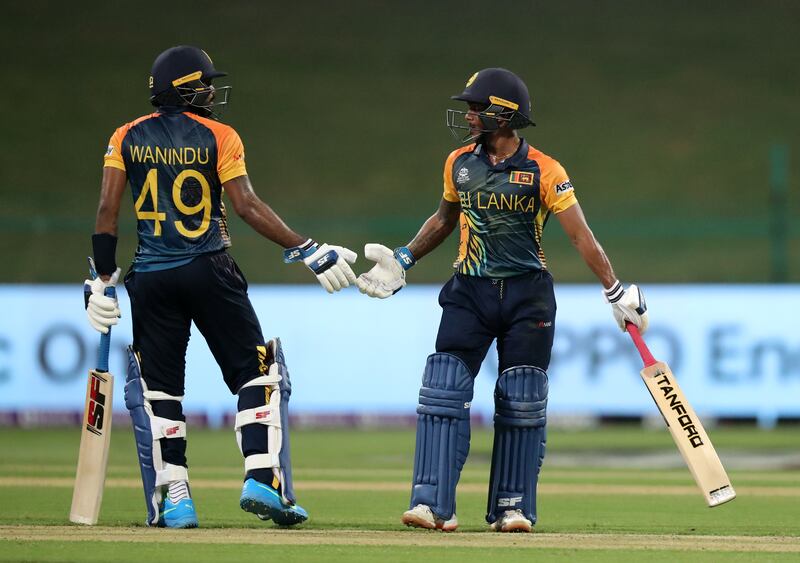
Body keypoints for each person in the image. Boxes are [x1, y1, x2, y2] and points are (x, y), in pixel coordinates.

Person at [356, 68, 648, 533]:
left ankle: (512, 507)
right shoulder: (458, 163)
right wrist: (404, 258)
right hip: (469, 290)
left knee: (521, 398)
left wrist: (613, 287)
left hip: (527, 295)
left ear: (504, 115)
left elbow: (580, 236)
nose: (469, 115)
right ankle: (432, 504)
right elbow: (444, 218)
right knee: (444, 388)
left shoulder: (545, 171)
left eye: (477, 108)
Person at [83, 45, 358, 528]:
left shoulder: (124, 136)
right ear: (188, 88)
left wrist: (102, 279)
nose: (212, 91)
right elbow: (247, 206)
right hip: (210, 268)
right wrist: (306, 247)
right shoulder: (220, 135)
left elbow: (107, 213)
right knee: (257, 374)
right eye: (205, 83)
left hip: (151, 276)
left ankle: (176, 498)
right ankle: (260, 477)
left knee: (161, 391)